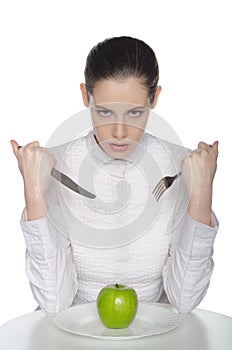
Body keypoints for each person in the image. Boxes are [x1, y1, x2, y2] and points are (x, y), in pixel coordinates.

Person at [11, 36, 219, 314]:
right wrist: (34, 195)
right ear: (86, 96)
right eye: (104, 111)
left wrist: (201, 197)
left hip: (154, 335)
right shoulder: (55, 166)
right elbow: (53, 303)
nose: (119, 132)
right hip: (70, 335)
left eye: (135, 112)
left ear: (154, 98)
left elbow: (184, 301)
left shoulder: (179, 166)